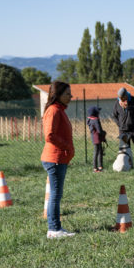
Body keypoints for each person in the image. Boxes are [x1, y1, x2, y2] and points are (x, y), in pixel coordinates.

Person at [41, 81, 76, 238]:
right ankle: (54, 229)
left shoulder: (59, 110)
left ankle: (54, 228)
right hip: (54, 158)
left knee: (56, 194)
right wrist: (66, 146)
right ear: (58, 95)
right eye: (67, 93)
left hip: (59, 158)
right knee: (55, 195)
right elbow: (50, 135)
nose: (70, 96)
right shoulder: (54, 110)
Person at [112, 87, 134, 168]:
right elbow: (114, 115)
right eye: (119, 98)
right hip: (123, 130)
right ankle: (129, 165)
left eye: (122, 98)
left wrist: (128, 107)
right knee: (126, 148)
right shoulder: (117, 102)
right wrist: (120, 125)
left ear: (126, 96)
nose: (120, 99)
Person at [86, 105, 106, 172]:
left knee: (98, 152)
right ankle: (96, 168)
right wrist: (104, 133)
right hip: (98, 138)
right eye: (98, 112)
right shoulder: (95, 120)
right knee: (98, 152)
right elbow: (99, 130)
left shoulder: (89, 120)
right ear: (95, 113)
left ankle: (99, 167)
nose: (99, 113)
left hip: (94, 137)